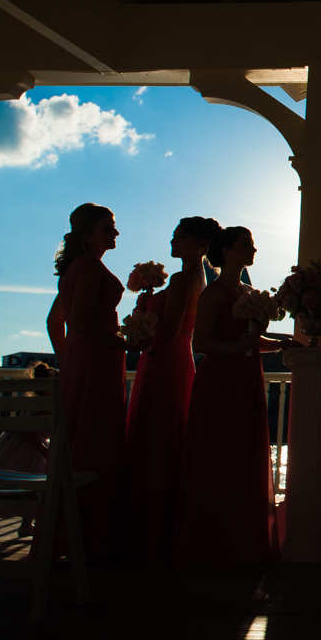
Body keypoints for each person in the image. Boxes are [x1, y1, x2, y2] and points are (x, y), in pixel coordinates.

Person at [172, 226, 295, 566]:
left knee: (243, 455)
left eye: (252, 244)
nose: (252, 250)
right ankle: (213, 542)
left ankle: (242, 540)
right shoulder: (215, 294)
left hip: (247, 377)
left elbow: (254, 338)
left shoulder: (249, 291)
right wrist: (238, 346)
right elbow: (201, 344)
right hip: (220, 381)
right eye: (245, 245)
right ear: (226, 252)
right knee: (219, 455)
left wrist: (280, 343)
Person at [121, 216, 222, 563]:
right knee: (166, 436)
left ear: (201, 245)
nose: (173, 241)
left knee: (156, 436)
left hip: (164, 359)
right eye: (174, 236)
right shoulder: (200, 277)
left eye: (181, 237)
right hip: (174, 359)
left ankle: (149, 532)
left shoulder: (183, 278)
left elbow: (168, 329)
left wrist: (140, 315)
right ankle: (160, 528)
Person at [47, 203, 127, 562]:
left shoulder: (73, 269)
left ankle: (66, 535)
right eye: (108, 228)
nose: (115, 233)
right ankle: (90, 538)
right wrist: (125, 342)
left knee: (78, 438)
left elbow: (55, 322)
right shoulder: (91, 267)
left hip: (82, 360)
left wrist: (68, 360)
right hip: (97, 359)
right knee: (95, 438)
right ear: (88, 233)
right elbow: (80, 323)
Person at [0, 363, 56, 542]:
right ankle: (15, 524)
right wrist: (44, 451)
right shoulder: (43, 406)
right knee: (32, 485)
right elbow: (29, 433)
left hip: (18, 446)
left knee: (7, 484)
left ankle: (17, 524)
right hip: (28, 449)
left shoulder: (36, 402)